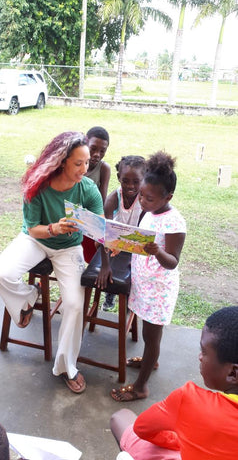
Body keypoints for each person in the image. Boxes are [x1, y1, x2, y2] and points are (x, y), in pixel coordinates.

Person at [0, 132, 104, 394]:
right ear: (62, 161)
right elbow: (32, 229)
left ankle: (66, 366)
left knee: (74, 305)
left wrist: (108, 241)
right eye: (78, 163)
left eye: (87, 163)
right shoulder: (37, 186)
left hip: (69, 248)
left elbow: (100, 228)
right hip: (38, 239)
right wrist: (54, 228)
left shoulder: (87, 189)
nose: (84, 169)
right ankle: (29, 297)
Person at [110, 306, 238, 460]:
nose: (200, 356)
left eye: (204, 351)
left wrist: (179, 441)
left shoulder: (189, 400)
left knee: (121, 417)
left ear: (233, 373)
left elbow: (142, 428)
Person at [111, 151, 186, 401]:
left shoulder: (174, 222)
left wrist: (157, 252)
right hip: (144, 284)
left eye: (149, 198)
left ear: (168, 197)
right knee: (147, 333)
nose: (142, 200)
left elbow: (172, 262)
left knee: (151, 337)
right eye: (141, 195)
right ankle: (149, 361)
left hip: (159, 289)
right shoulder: (151, 213)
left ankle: (141, 386)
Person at [102, 155, 146, 311]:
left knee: (133, 278)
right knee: (111, 273)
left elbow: (144, 234)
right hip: (115, 245)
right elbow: (105, 233)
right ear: (118, 178)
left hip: (137, 246)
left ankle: (130, 302)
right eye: (125, 181)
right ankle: (109, 295)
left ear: (144, 179)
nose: (130, 186)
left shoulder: (145, 201)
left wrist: (135, 258)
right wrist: (105, 266)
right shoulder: (113, 198)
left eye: (136, 181)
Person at [82, 126, 111, 263]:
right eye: (93, 148)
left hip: (90, 221)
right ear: (85, 143)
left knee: (92, 257)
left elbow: (102, 201)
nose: (97, 154)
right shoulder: (75, 164)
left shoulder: (103, 168)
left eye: (102, 151)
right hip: (69, 218)